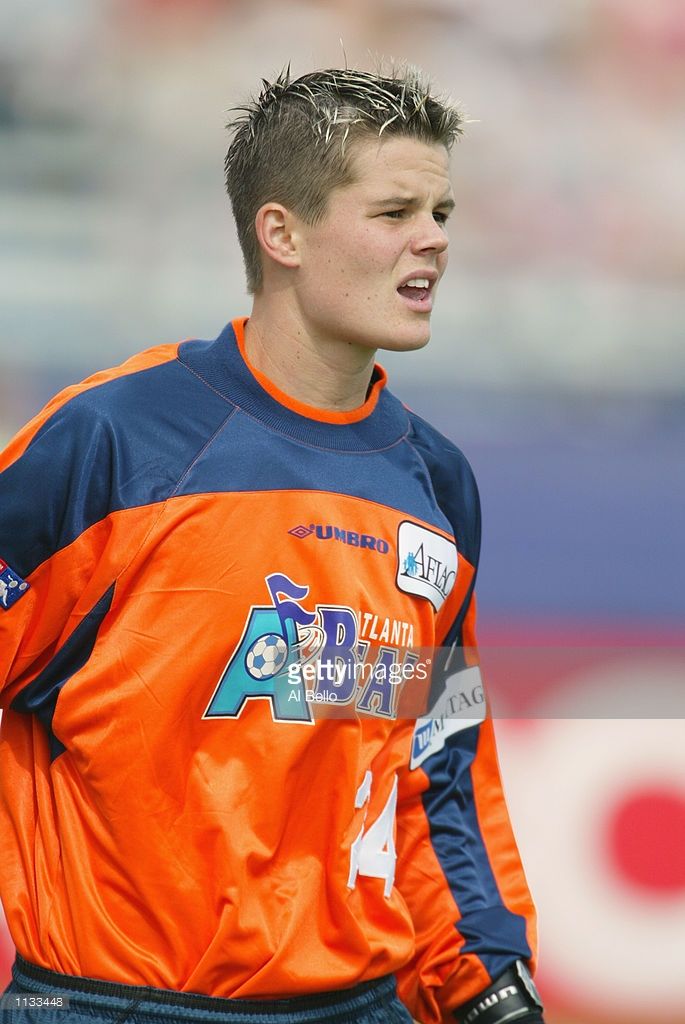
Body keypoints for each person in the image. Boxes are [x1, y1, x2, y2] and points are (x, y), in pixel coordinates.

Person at [0, 66, 545, 1024]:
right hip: (113, 1004)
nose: (433, 239)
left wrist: (483, 982)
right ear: (281, 234)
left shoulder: (437, 484)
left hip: (361, 1003)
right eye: (394, 212)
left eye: (441, 212)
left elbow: (435, 761)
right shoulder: (112, 442)